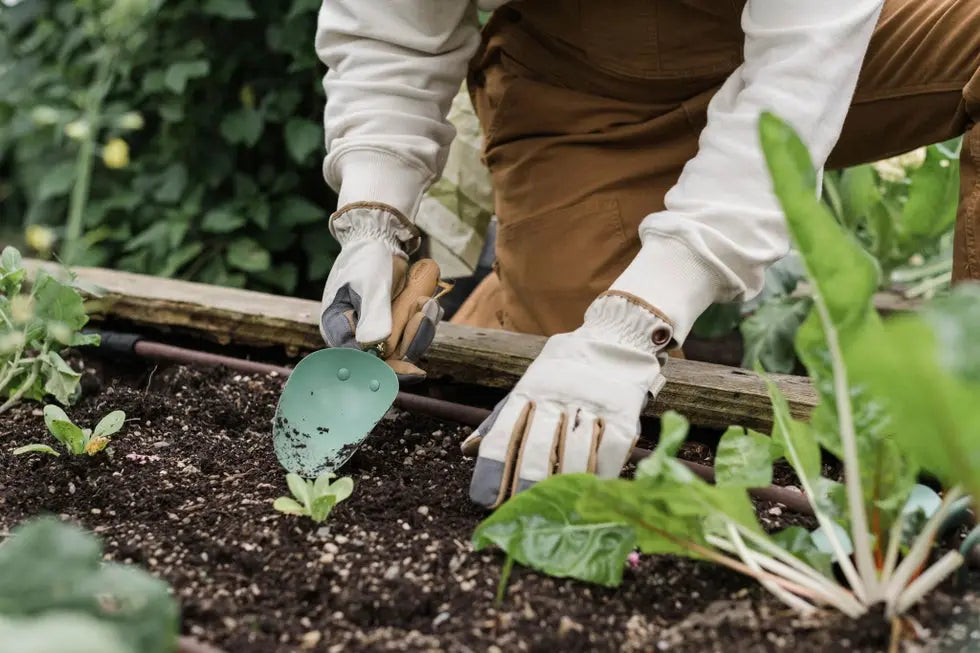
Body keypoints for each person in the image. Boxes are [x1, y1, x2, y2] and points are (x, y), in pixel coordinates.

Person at [315, 1, 980, 509]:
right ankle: (500, 310)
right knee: (571, 439)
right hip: (584, 94)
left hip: (822, 50)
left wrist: (639, 318)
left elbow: (797, 75)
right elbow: (391, 19)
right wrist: (374, 209)